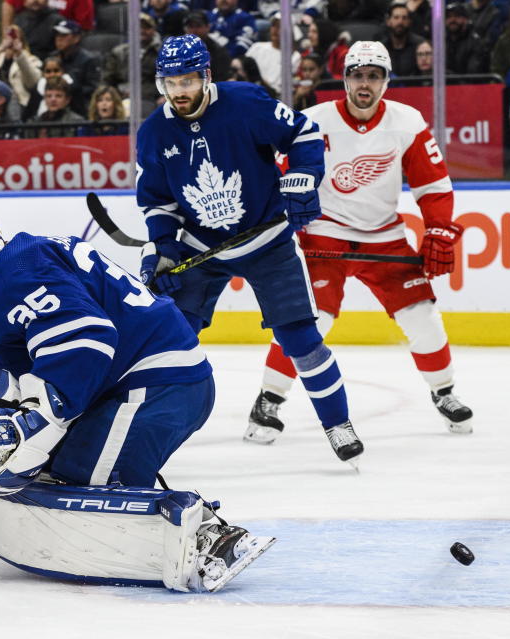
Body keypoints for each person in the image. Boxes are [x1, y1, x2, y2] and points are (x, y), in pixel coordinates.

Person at [0, 208, 276, 592]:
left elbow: (85, 338)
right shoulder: (21, 266)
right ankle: (161, 514)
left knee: (80, 482)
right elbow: (1, 360)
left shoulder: (14, 273)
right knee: (60, 471)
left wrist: (39, 419)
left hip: (158, 383)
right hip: (147, 381)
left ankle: (207, 539)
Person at [136, 35, 362, 464]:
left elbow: (303, 133)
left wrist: (303, 177)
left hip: (267, 241)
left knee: (301, 339)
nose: (179, 91)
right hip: (202, 247)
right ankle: (140, 433)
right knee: (170, 338)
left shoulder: (245, 102)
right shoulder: (153, 133)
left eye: (187, 80)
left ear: (205, 76)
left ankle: (337, 423)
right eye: (170, 82)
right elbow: (158, 201)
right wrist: (164, 247)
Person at [249, 41, 473, 444]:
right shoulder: (312, 121)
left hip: (384, 236)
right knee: (312, 320)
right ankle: (269, 398)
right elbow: (280, 176)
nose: (364, 83)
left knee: (422, 315)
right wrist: (279, 216)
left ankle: (445, 392)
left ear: (387, 80)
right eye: (357, 75)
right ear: (345, 79)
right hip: (324, 234)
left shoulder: (408, 122)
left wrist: (438, 227)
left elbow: (433, 185)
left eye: (373, 75)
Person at [241, 12, 300, 92]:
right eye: (273, 25)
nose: (275, 30)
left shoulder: (294, 56)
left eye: (280, 26)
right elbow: (242, 68)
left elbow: (279, 88)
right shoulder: (257, 46)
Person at [51, 18, 100, 116]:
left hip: (79, 106)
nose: (59, 38)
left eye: (64, 35)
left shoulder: (88, 60)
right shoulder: (52, 59)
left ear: (76, 38)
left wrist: (72, 88)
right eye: (57, 35)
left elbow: (93, 88)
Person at [379, 1, 425, 77]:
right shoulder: (381, 48)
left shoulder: (419, 46)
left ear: (409, 22)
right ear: (388, 21)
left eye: (404, 18)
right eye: (396, 17)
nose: (400, 22)